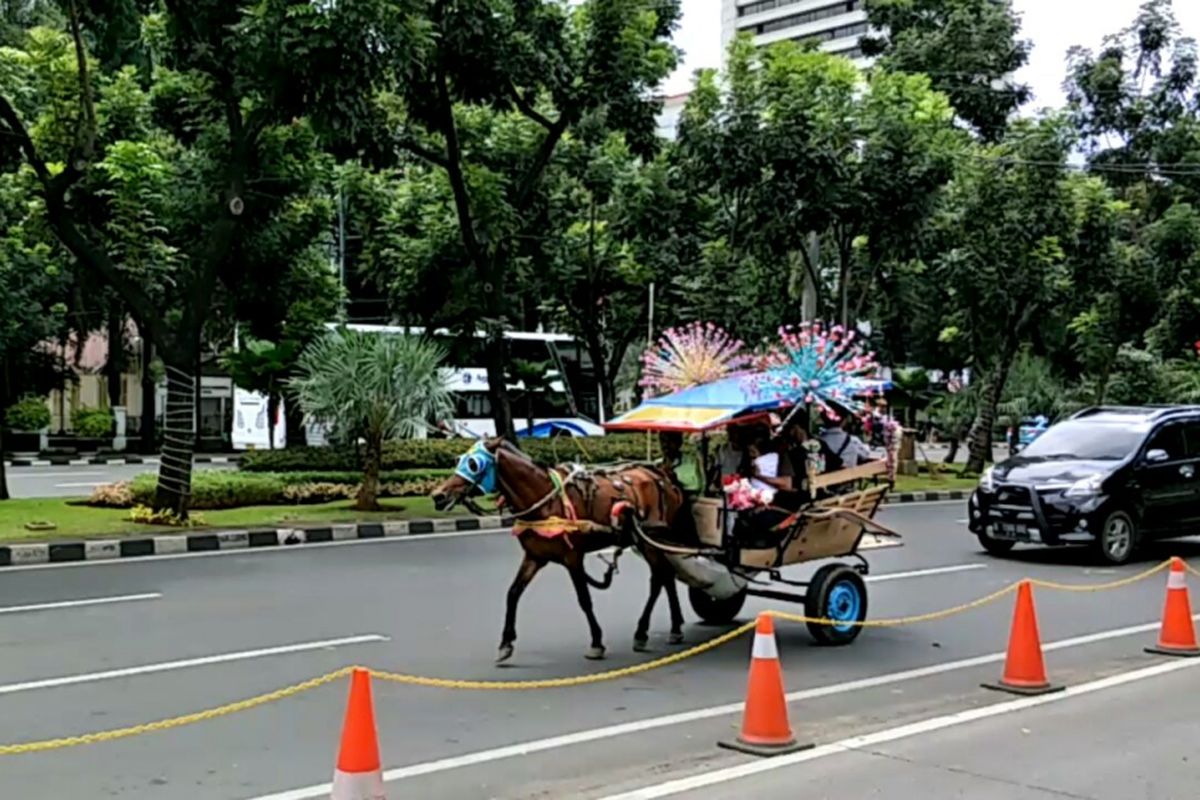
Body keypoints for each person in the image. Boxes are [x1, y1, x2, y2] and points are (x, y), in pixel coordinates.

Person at [659, 430, 703, 495]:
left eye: (669, 441)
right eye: (662, 441)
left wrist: (676, 482)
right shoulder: (657, 464)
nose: (665, 444)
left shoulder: (691, 462)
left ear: (679, 443)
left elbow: (696, 487)